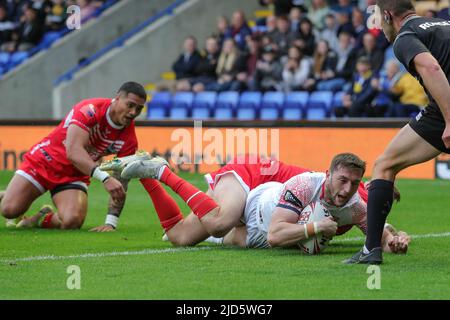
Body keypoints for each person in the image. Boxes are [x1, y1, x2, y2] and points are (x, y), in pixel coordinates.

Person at [346, 0, 450, 264]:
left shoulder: (405, 37)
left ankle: (371, 251)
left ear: (390, 16)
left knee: (384, 165)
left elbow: (432, 67)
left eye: (380, 20)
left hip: (444, 110)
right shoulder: (443, 24)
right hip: (438, 109)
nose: (380, 27)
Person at [0, 82, 147, 231]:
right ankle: (11, 195)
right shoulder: (90, 110)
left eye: (139, 109)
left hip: (74, 174)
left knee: (72, 221)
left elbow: (121, 182)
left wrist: (111, 223)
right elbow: (73, 152)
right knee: (9, 210)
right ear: (117, 98)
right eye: (130, 105)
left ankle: (39, 218)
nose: (133, 112)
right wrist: (105, 178)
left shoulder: (129, 139)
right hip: (45, 161)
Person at [98, 154, 310, 245]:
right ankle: (163, 172)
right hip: (252, 176)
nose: (344, 191)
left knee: (179, 237)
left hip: (261, 205)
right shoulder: (315, 185)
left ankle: (147, 172)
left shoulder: (340, 208)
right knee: (219, 224)